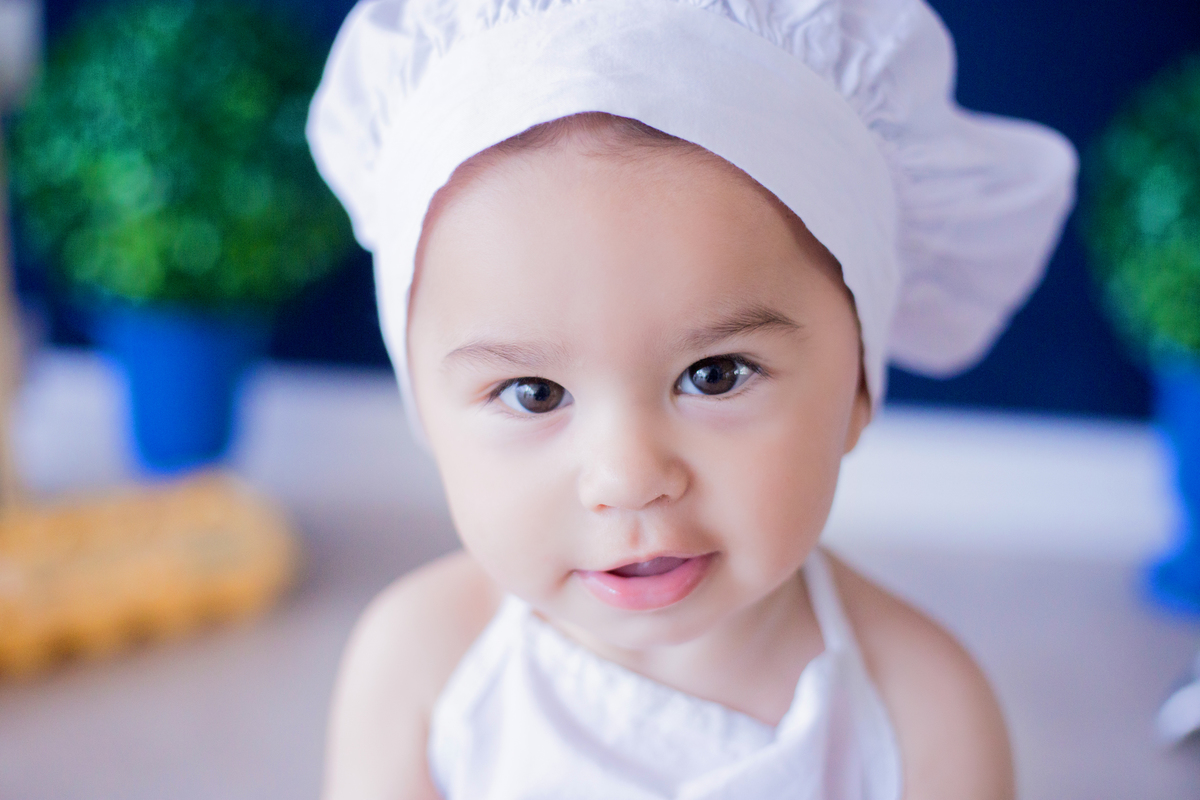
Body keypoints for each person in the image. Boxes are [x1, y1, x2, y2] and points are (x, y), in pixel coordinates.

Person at [307, 0, 1077, 797]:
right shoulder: (420, 665)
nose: (628, 476)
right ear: (425, 411)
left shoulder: (923, 710)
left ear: (857, 383)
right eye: (535, 394)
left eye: (715, 374)